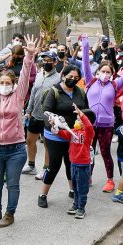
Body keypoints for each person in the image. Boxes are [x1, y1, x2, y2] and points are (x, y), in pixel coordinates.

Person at [0, 27, 38, 227]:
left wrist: (29, 55)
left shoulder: (18, 96)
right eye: (1, 82)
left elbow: (25, 75)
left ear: (13, 84)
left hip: (15, 149)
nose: (4, 84)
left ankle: (9, 214)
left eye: (8, 82)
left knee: (12, 184)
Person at [82, 35, 123, 194]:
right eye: (102, 71)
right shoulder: (90, 81)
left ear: (111, 73)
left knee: (105, 152)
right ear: (97, 72)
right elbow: (85, 63)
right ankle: (87, 176)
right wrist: (85, 44)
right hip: (89, 124)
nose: (104, 73)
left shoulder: (114, 84)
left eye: (107, 71)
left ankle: (110, 180)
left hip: (106, 125)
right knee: (89, 152)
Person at [38, 65, 88, 208]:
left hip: (73, 135)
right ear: (63, 76)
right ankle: (43, 194)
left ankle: (72, 189)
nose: (73, 80)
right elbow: (45, 111)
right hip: (55, 136)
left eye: (76, 78)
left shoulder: (80, 92)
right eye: (70, 77)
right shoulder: (54, 91)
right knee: (54, 165)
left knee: (71, 163)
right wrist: (54, 121)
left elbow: (85, 110)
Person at [50, 105, 95, 219]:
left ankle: (81, 208)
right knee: (74, 187)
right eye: (77, 119)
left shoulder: (88, 133)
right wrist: (56, 129)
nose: (77, 120)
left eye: (79, 119)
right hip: (73, 163)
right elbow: (64, 133)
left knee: (82, 187)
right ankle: (75, 205)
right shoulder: (74, 130)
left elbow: (89, 126)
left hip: (83, 165)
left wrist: (82, 115)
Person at [24, 51, 60, 177]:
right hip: (35, 115)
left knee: (47, 144)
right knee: (29, 140)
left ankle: (45, 168)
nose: (46, 62)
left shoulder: (58, 79)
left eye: (49, 60)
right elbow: (33, 93)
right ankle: (31, 165)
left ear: (55, 62)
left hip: (48, 117)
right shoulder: (39, 74)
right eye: (44, 60)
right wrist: (28, 111)